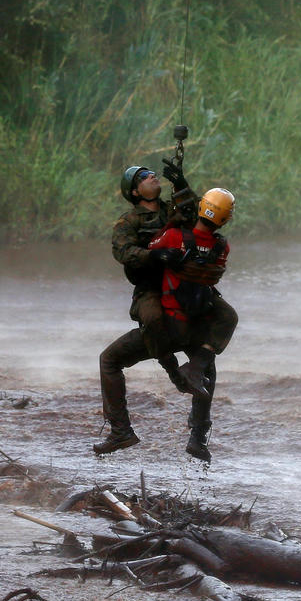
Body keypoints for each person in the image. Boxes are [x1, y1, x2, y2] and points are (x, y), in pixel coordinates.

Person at [95, 188, 239, 461]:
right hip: (198, 322)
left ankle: (121, 430)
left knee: (109, 360)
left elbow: (148, 251)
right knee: (206, 369)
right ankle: (198, 436)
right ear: (225, 219)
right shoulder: (222, 247)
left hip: (169, 322)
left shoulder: (172, 236)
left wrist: (171, 225)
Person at [111, 165, 188, 392]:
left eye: (152, 173)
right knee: (153, 319)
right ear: (135, 192)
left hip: (182, 280)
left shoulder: (170, 210)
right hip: (151, 286)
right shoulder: (128, 221)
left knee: (223, 313)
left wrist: (182, 186)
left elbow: (194, 216)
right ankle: (174, 371)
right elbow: (122, 252)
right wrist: (154, 255)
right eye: (144, 177)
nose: (152, 176)